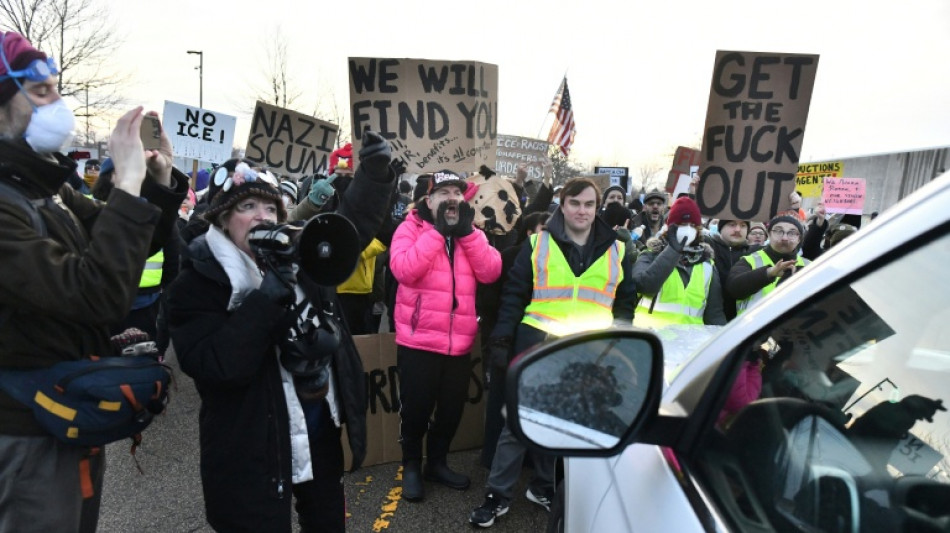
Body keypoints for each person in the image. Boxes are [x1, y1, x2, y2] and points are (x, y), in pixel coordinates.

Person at [0, 31, 187, 533]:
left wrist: (154, 183)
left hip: (64, 415)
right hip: (23, 432)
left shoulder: (44, 186)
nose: (57, 104)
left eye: (56, 89)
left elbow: (121, 243)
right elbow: (95, 293)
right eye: (40, 92)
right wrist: (124, 183)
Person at [166, 132, 395, 532]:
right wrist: (266, 300)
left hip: (317, 430)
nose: (263, 217)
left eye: (271, 208)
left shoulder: (296, 253)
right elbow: (215, 365)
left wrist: (374, 174)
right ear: (222, 218)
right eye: (248, 206)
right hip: (250, 447)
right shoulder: (196, 282)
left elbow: (349, 229)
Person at [470, 177, 638, 528]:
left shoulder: (618, 249)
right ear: (563, 205)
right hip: (539, 343)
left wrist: (619, 342)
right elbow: (514, 295)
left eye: (589, 204)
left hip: (590, 351)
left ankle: (543, 486)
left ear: (597, 208)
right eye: (575, 203)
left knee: (565, 424)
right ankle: (497, 495)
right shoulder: (537, 244)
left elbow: (625, 302)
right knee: (520, 423)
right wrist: (501, 339)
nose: (582, 210)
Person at [389, 169, 502, 502]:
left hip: (459, 343)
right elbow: (404, 269)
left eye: (456, 192)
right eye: (443, 192)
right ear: (429, 200)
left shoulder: (471, 231)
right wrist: (438, 233)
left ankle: (436, 463)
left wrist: (466, 234)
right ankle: (412, 464)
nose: (452, 198)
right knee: (416, 410)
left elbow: (491, 271)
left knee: (451, 410)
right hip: (419, 340)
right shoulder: (410, 228)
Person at [633, 196, 727, 329]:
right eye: (682, 225)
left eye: (692, 225)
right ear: (669, 228)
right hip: (651, 337)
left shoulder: (707, 265)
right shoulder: (650, 254)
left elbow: (715, 314)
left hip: (690, 340)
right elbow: (644, 286)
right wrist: (673, 250)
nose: (687, 229)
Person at [727, 215, 810, 315]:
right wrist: (768, 273)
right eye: (778, 231)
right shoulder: (749, 260)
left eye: (792, 233)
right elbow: (734, 288)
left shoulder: (810, 266)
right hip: (753, 323)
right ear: (769, 235)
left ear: (799, 239)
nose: (784, 238)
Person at [704, 219, 760, 320]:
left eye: (743, 226)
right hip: (707, 319)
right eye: (732, 224)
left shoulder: (755, 253)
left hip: (743, 321)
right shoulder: (706, 247)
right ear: (721, 228)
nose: (738, 229)